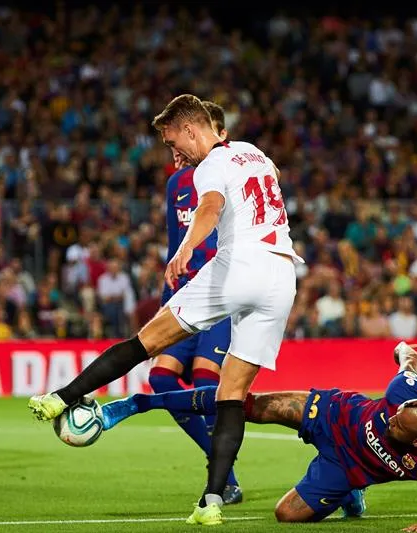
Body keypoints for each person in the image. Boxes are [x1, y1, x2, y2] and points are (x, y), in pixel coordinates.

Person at [29, 94, 303, 525]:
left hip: (240, 266)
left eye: (174, 141)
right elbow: (270, 176)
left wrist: (187, 247)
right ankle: (212, 501)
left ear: (192, 129)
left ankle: (60, 397)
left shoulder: (210, 163)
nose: (174, 152)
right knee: (230, 395)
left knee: (146, 342)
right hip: (283, 275)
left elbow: (210, 207)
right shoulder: (252, 152)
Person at [100, 343, 417, 531]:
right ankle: (141, 403)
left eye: (396, 427)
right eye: (392, 416)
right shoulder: (405, 397)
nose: (389, 422)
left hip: (345, 467)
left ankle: (351, 495)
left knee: (287, 515)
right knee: (244, 404)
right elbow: (411, 359)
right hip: (332, 413)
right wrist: (403, 350)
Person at [156, 100, 240, 504]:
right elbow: (175, 241)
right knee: (160, 379)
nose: (177, 154)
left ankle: (221, 478)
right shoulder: (175, 186)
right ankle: (224, 469)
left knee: (208, 380)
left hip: (221, 295)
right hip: (182, 295)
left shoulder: (232, 171)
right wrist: (165, 297)